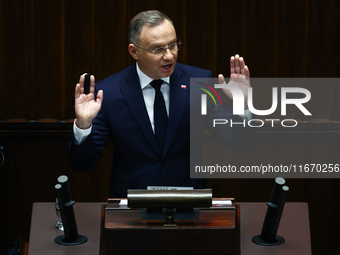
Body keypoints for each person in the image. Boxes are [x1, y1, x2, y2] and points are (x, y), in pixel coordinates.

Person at [67, 10, 253, 198]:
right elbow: (81, 164)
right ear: (134, 51)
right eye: (158, 49)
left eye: (172, 45)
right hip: (131, 206)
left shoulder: (200, 81)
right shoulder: (108, 92)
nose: (169, 56)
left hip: (189, 203)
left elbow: (240, 143)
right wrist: (83, 124)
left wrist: (241, 104)